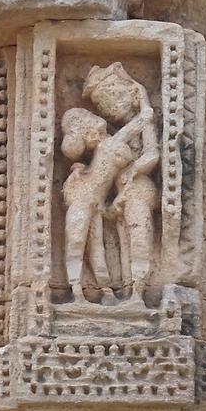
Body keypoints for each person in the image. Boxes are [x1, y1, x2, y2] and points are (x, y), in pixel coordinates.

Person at [61, 103, 154, 301]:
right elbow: (135, 126)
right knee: (76, 242)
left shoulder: (107, 145)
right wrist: (144, 111)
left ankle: (105, 292)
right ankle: (77, 291)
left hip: (96, 200)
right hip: (83, 195)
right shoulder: (108, 146)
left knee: (96, 248)